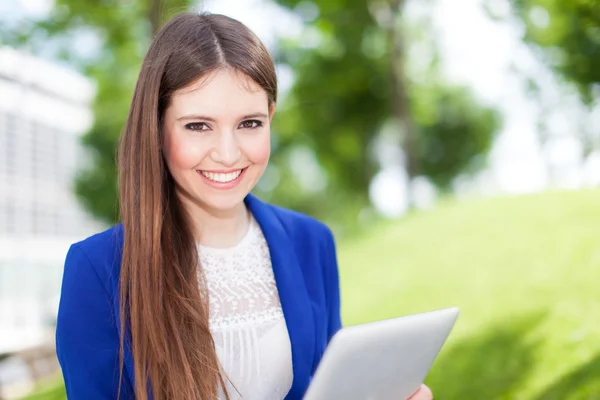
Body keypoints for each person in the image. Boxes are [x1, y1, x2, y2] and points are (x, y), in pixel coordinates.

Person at [54, 11, 433, 400]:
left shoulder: (312, 242)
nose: (228, 153)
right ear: (156, 129)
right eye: (198, 126)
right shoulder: (97, 269)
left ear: (270, 118)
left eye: (249, 123)